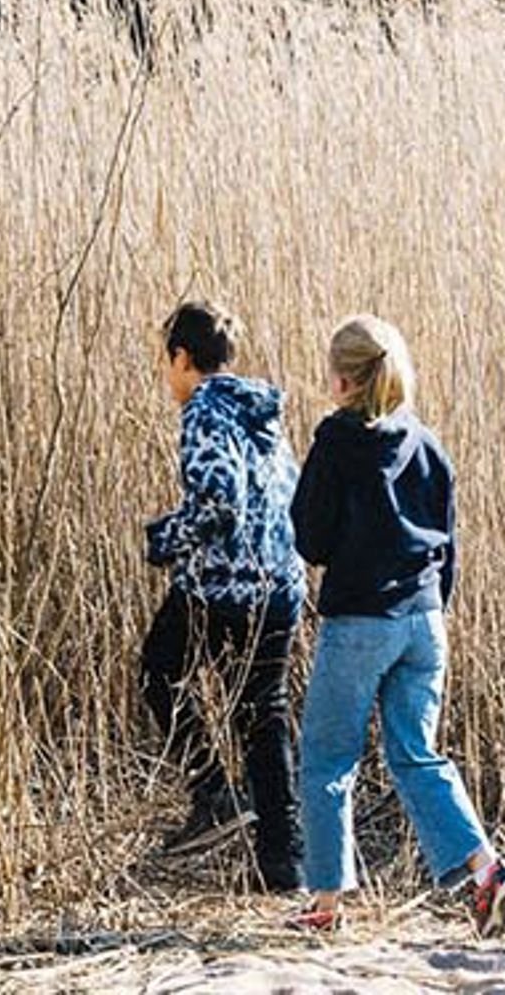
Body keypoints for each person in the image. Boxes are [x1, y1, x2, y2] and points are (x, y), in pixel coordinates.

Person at [289, 314, 502, 933]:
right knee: (416, 753)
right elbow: (450, 541)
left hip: (360, 621)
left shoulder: (334, 441)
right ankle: (487, 870)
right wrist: (435, 606)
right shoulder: (428, 442)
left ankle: (326, 905)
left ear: (343, 380)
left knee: (329, 759)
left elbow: (312, 538)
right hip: (425, 619)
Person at [142, 301, 307, 892]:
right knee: (264, 713)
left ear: (182, 358)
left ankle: (214, 792)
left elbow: (220, 504)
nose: (167, 379)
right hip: (278, 584)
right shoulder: (259, 411)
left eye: (168, 364)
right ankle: (282, 859)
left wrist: (163, 538)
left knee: (158, 672)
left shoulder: (205, 412)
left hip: (223, 585)